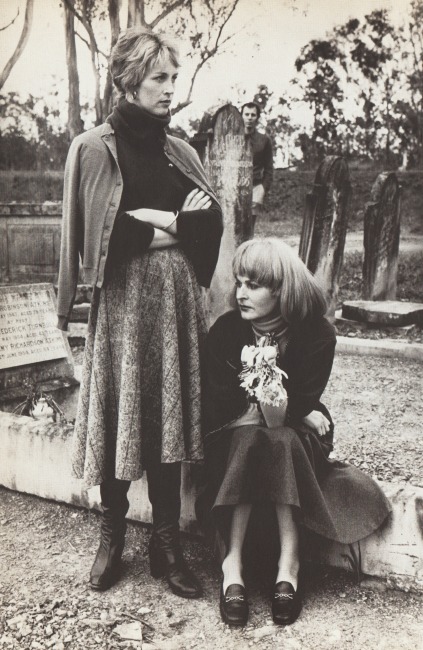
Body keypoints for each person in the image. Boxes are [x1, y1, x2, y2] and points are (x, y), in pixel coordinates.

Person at [57, 28, 223, 599]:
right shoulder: (92, 148)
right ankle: (112, 535)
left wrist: (159, 221)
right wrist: (176, 224)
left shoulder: (183, 152)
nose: (170, 88)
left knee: (168, 419)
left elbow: (210, 225)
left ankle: (166, 542)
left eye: (174, 77)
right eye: (159, 78)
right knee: (119, 415)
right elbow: (102, 240)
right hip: (124, 307)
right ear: (129, 82)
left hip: (176, 305)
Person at [199, 238, 391, 626]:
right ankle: (233, 563)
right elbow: (218, 405)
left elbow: (299, 398)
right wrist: (299, 414)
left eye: (253, 285)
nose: (241, 294)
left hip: (297, 447)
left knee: (280, 438)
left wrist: (290, 413)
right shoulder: (226, 331)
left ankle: (288, 563)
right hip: (234, 443)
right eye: (239, 283)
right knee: (256, 437)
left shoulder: (316, 334)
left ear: (281, 290)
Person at [241, 102, 273, 229]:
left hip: (254, 187)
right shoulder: (231, 137)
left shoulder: (264, 140)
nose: (249, 118)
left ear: (257, 117)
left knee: (248, 228)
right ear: (241, 116)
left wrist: (263, 188)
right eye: (246, 114)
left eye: (253, 115)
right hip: (233, 187)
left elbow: (269, 169)